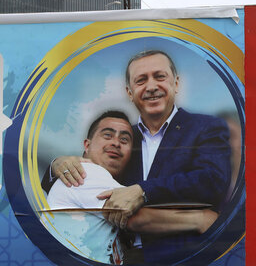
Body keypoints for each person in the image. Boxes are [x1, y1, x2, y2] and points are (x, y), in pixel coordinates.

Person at [42, 50, 232, 263]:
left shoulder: (205, 127)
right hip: (124, 257)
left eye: (159, 76)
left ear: (176, 83)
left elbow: (212, 181)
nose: (151, 87)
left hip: (184, 255)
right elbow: (87, 176)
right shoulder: (124, 137)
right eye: (141, 80)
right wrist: (55, 166)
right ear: (129, 92)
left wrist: (144, 191)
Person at [45, 111, 218, 264]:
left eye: (124, 139)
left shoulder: (103, 178)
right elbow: (136, 218)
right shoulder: (87, 172)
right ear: (87, 145)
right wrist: (200, 219)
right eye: (107, 135)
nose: (116, 143)